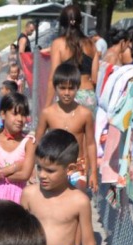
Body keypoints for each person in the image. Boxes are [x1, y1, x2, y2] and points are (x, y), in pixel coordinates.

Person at [36, 62, 99, 193]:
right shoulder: (47, 113)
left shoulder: (85, 114)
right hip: (53, 166)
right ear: (55, 87)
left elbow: (91, 144)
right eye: (62, 88)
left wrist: (93, 172)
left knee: (75, 202)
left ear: (78, 88)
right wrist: (32, 169)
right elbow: (37, 143)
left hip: (78, 167)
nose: (66, 93)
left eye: (71, 88)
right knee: (54, 202)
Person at [0, 93, 35, 204]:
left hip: (19, 198)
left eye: (23, 115)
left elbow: (25, 175)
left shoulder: (28, 143)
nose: (20, 119)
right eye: (15, 114)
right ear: (3, 114)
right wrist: (13, 168)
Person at [45, 4, 99, 111]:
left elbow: (53, 78)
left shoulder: (58, 43)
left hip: (67, 96)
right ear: (80, 21)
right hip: (88, 96)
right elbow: (95, 79)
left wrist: (47, 107)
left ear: (62, 22)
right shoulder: (91, 44)